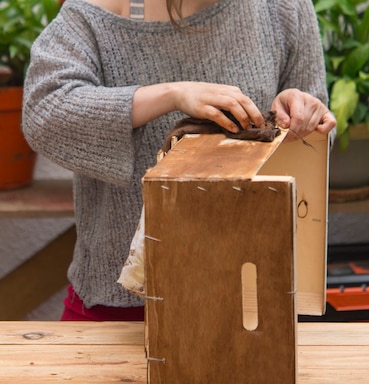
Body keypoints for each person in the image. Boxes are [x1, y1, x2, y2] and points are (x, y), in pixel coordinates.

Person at [22, 0, 336, 321]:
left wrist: (299, 116)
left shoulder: (283, 8)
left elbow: (316, 134)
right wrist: (171, 95)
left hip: (249, 303)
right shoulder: (95, 12)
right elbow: (44, 112)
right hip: (122, 308)